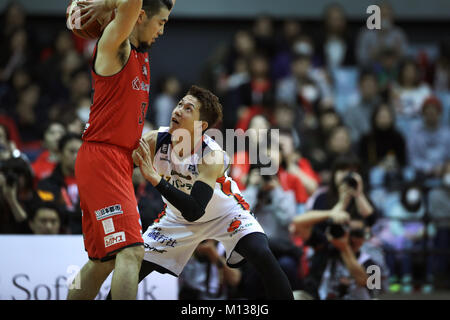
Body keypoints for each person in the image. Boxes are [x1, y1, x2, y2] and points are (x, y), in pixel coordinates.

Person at [107, 85, 294, 300]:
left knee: (261, 253)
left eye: (188, 109)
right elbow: (116, 168)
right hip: (176, 219)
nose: (177, 110)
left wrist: (155, 179)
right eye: (179, 104)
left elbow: (195, 210)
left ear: (201, 125)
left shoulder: (212, 155)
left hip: (225, 214)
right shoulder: (153, 141)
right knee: (132, 265)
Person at [67, 0, 176, 300]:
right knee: (132, 251)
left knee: (102, 262)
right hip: (102, 159)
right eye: (161, 22)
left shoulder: (139, 52)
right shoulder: (116, 45)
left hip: (114, 161)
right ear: (140, 16)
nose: (162, 30)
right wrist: (109, 4)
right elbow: (132, 2)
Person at [36, 133, 82, 234]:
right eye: (72, 151)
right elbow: (49, 210)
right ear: (60, 153)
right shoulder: (46, 185)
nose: (76, 156)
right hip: (58, 237)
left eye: (80, 151)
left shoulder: (93, 184)